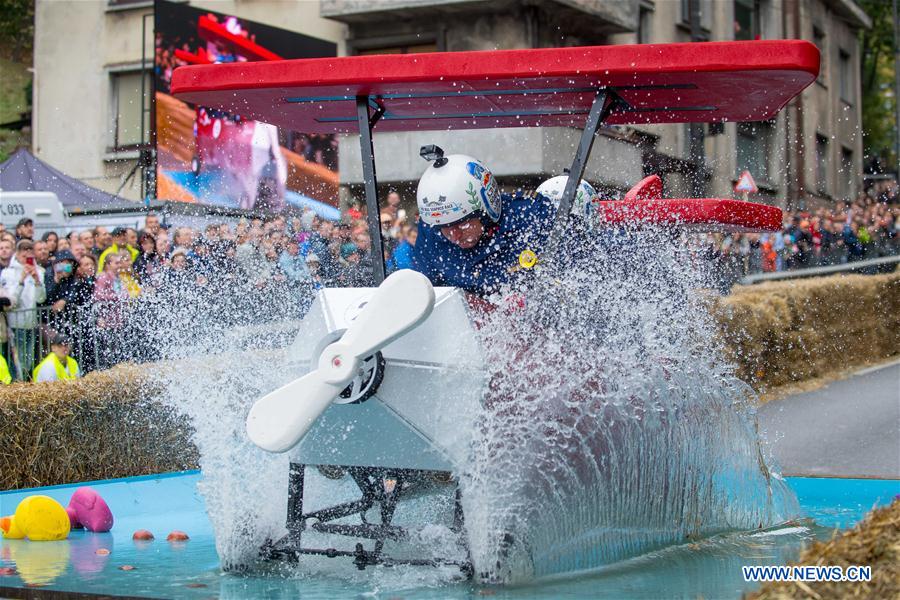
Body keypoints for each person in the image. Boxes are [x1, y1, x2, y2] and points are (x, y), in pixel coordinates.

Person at [413, 146, 563, 295]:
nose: (455, 235)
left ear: (487, 211)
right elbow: (425, 294)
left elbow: (580, 268)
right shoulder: (430, 235)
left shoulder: (533, 217)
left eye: (462, 224)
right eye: (444, 227)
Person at [0, 240, 46, 379]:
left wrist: (37, 281)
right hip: (15, 323)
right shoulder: (8, 273)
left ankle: (25, 384)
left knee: (28, 359)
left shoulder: (38, 271)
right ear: (18, 253)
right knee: (18, 360)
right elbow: (11, 301)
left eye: (29, 251)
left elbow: (41, 299)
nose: (26, 255)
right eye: (23, 251)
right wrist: (21, 280)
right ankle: (19, 386)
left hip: (31, 323)